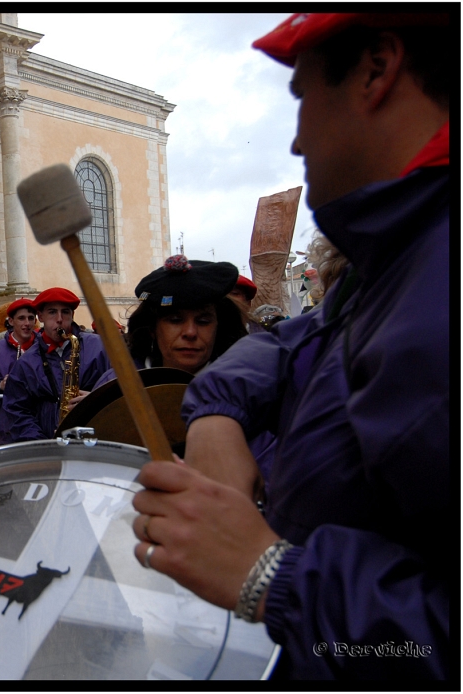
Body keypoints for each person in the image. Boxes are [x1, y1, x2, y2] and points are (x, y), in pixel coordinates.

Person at [131, 13, 450, 680]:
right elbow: (295, 343)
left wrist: (272, 575)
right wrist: (216, 414)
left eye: (302, 99)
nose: (298, 139)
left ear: (375, 69)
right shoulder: (397, 254)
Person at [93, 256, 247, 389]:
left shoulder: (245, 386)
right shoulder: (115, 385)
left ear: (219, 326)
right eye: (175, 320)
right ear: (152, 328)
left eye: (203, 321)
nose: (190, 332)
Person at [1, 288, 109, 442]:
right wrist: (43, 444)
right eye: (52, 312)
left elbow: (123, 390)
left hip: (99, 438)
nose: (59, 319)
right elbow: (17, 411)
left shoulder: (100, 347)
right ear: (41, 316)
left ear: (72, 315)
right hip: (49, 445)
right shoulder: (26, 362)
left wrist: (97, 398)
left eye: (65, 312)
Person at [0, 298, 37, 445]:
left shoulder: (43, 347)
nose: (27, 323)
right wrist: (0, 385)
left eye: (31, 318)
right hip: (6, 425)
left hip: (38, 420)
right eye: (21, 318)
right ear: (11, 321)